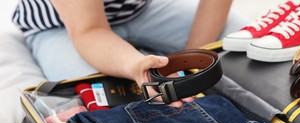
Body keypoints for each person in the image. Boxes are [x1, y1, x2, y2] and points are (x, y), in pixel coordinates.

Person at [12, 0, 249, 107]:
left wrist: (191, 60)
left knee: (241, 38)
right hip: (63, 26)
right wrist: (135, 65)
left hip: (139, 11)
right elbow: (90, 30)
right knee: (105, 92)